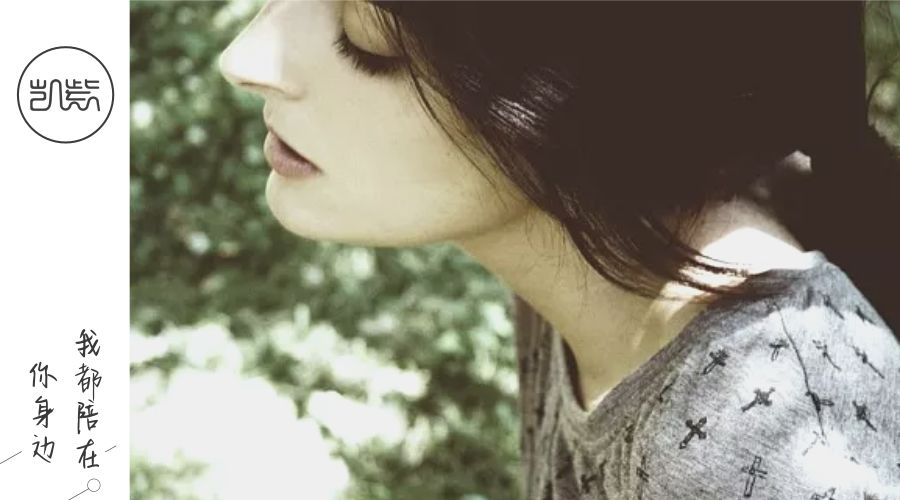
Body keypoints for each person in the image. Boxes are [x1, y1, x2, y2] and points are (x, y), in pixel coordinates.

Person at [219, 1, 900, 498]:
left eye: (370, 32)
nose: (244, 59)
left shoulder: (765, 448)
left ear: (587, 88)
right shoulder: (582, 254)